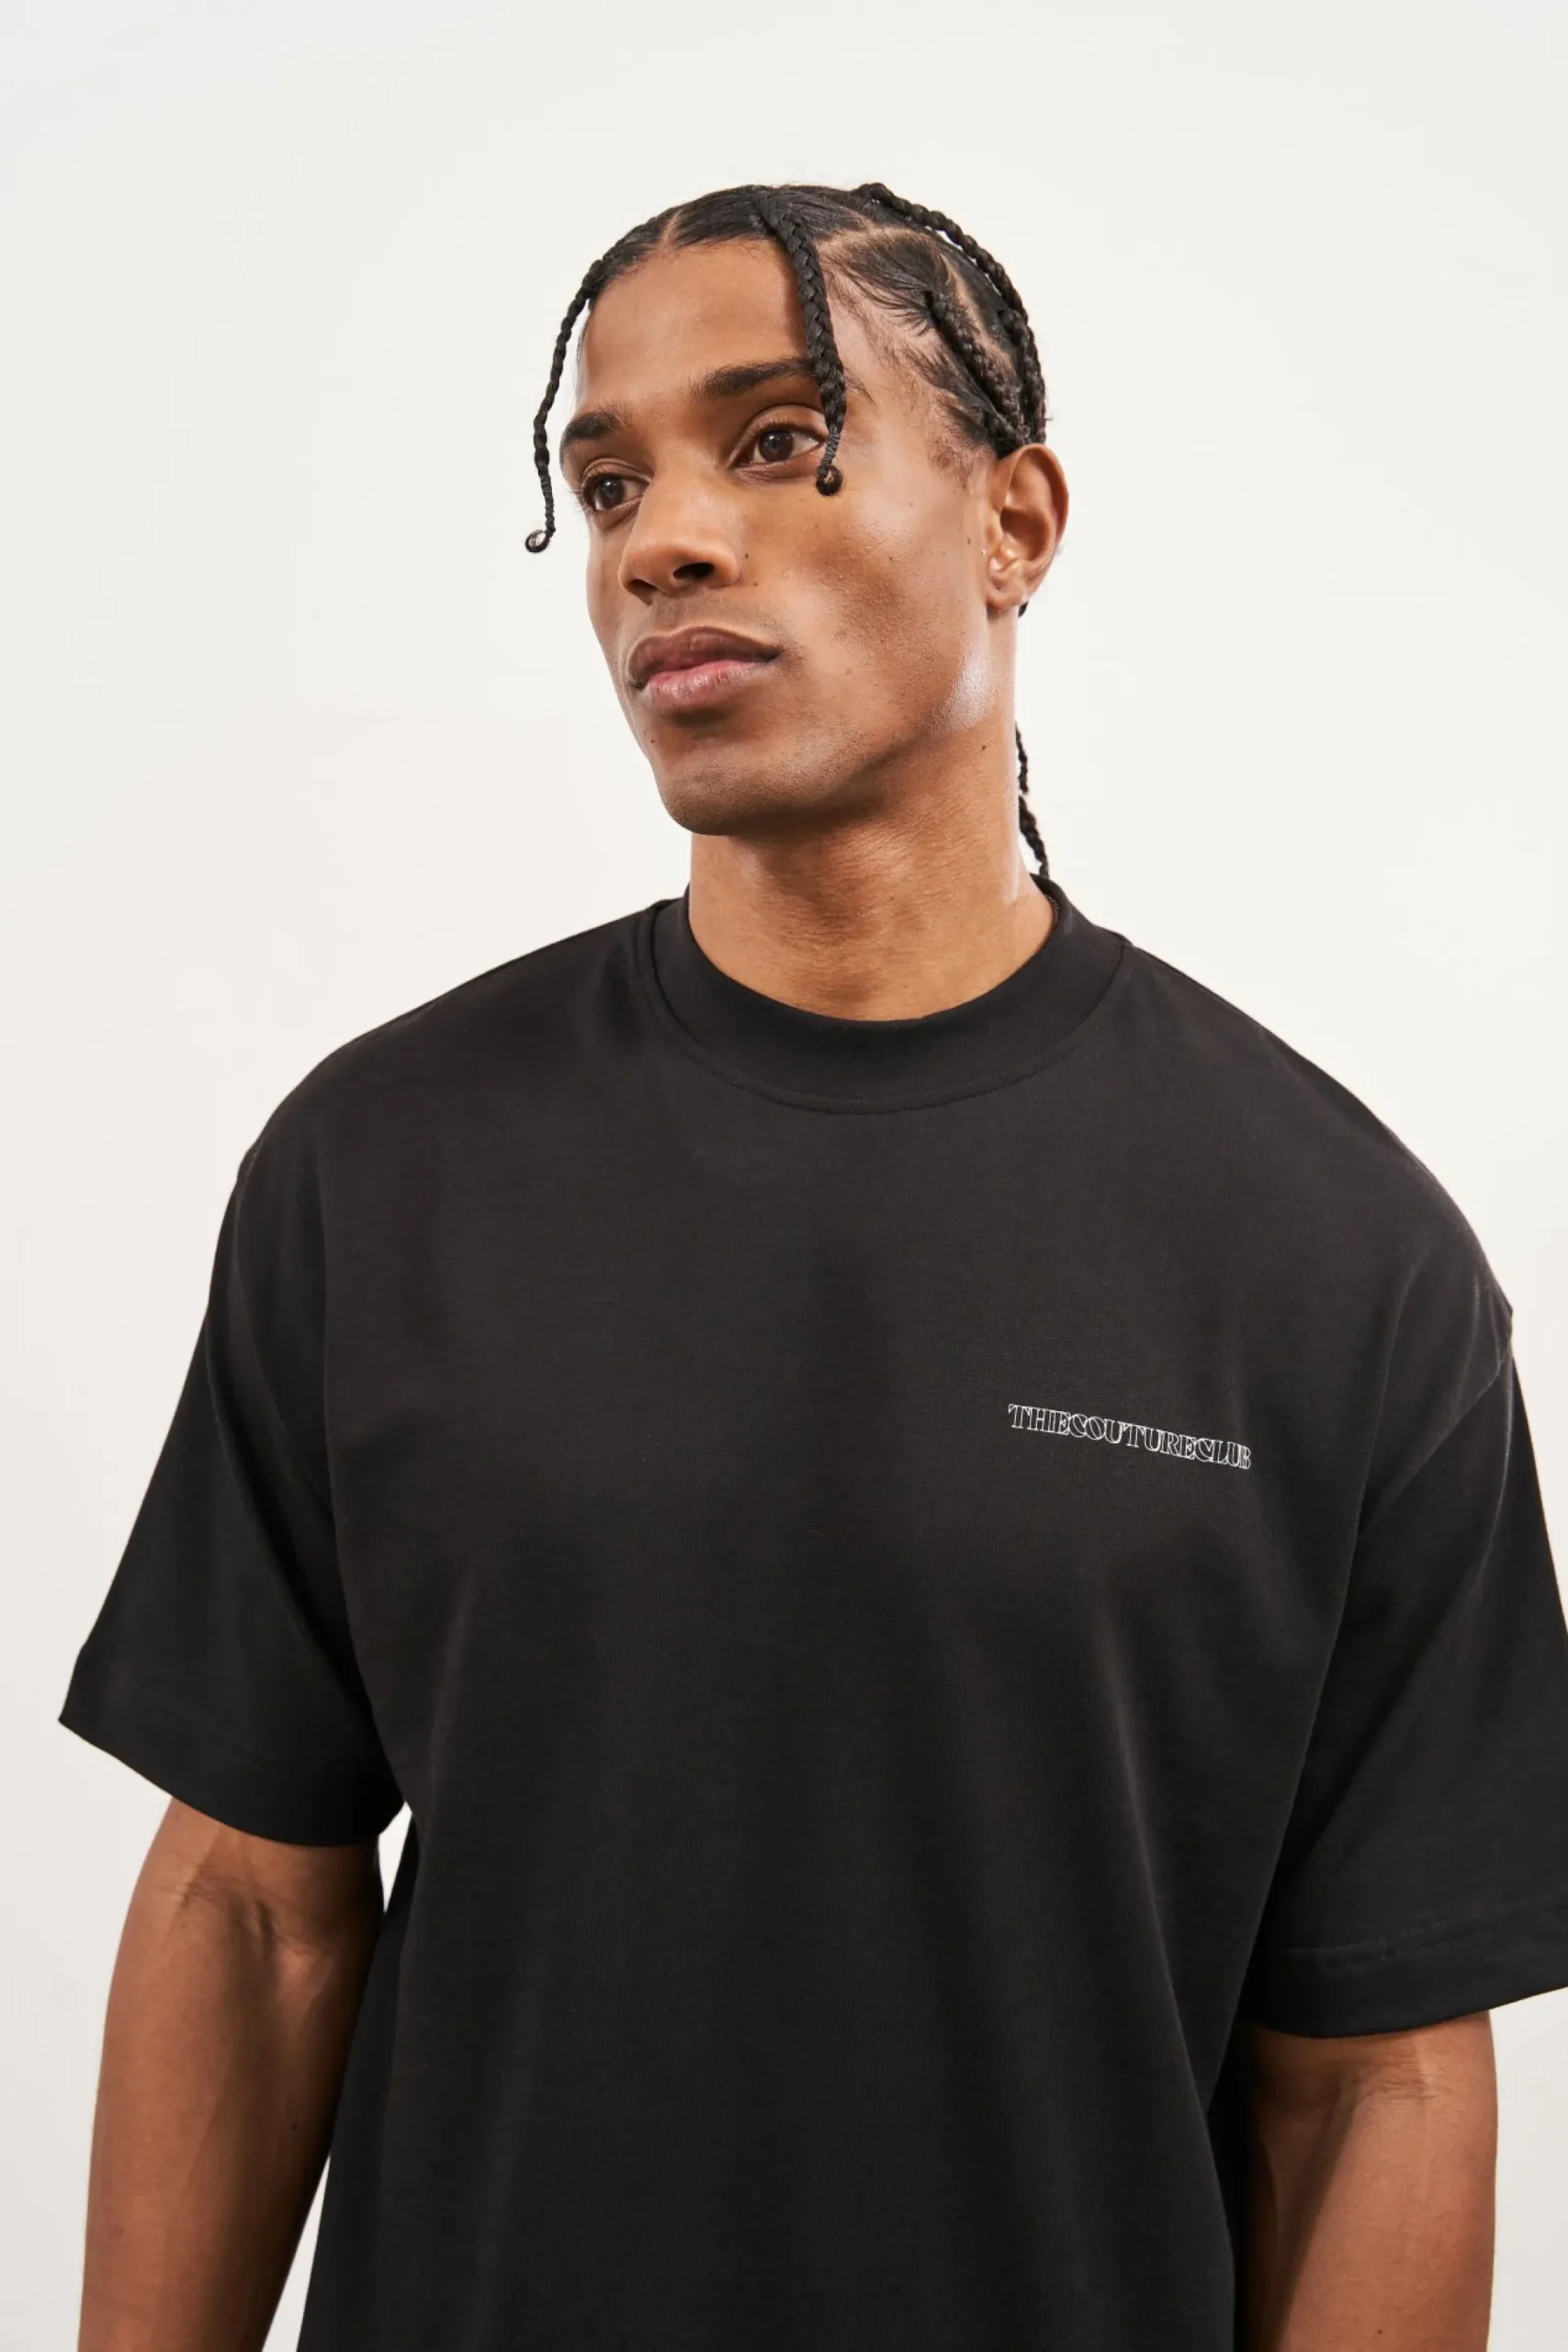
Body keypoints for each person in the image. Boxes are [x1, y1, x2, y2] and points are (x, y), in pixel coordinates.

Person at [60, 181, 1568, 2352]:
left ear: (1015, 520)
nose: (661, 540)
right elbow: (250, 1904)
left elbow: (1374, 2081)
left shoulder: (1337, 1258)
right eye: (608, 483)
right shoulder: (377, 1170)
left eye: (775, 440)